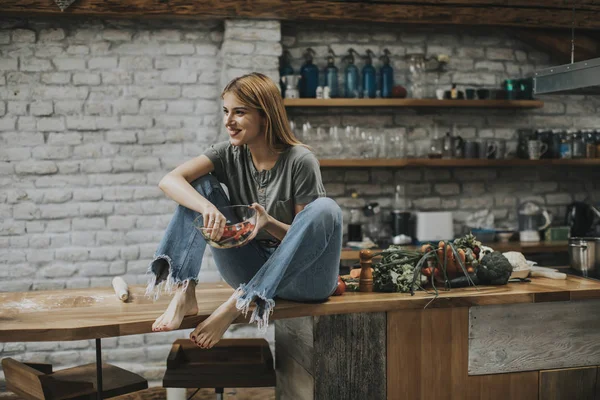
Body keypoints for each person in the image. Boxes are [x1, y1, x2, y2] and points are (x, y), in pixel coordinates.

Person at [146, 72, 343, 349]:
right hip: (248, 268)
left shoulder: (301, 161)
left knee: (326, 208)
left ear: (265, 115)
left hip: (305, 278)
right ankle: (184, 291)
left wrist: (268, 222)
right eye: (226, 111)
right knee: (198, 186)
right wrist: (207, 207)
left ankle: (239, 302)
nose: (228, 121)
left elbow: (305, 241)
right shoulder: (228, 153)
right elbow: (169, 180)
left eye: (239, 112)